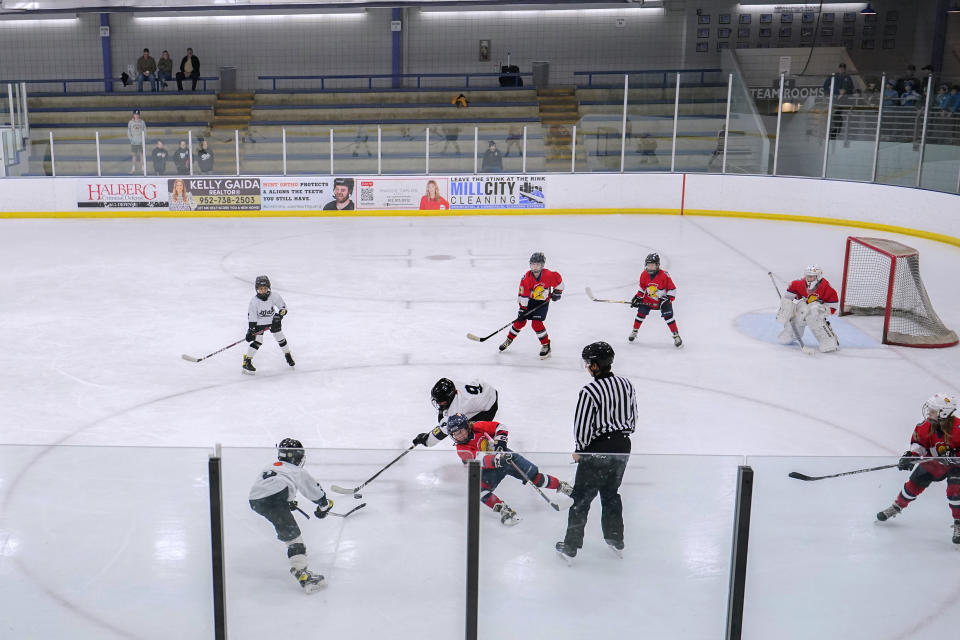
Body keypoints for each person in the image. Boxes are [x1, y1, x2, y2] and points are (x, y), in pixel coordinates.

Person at [555, 341, 636, 561]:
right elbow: (633, 419)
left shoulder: (590, 390)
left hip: (597, 449)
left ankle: (570, 546)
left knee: (581, 498)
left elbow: (581, 425)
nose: (587, 367)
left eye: (589, 363)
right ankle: (615, 539)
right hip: (622, 447)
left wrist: (581, 449)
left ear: (596, 365)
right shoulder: (626, 384)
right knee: (611, 494)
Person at [446, 413, 572, 527]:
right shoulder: (461, 449)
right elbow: (480, 459)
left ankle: (562, 486)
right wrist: (496, 459)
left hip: (507, 457)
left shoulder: (477, 426)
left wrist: (500, 442)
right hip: (489, 468)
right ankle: (504, 510)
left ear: (467, 427)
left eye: (461, 430)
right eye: (456, 434)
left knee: (536, 478)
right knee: (478, 491)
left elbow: (500, 427)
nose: (460, 435)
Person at [248, 438, 333, 593]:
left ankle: (299, 561)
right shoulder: (297, 470)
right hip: (275, 498)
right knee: (293, 536)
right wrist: (323, 505)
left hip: (255, 500)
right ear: (298, 456)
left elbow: (268, 485)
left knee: (286, 529)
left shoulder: (272, 465)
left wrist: (285, 500)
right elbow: (313, 490)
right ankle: (302, 573)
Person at [876, 393, 960, 545]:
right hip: (934, 463)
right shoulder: (924, 426)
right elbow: (919, 445)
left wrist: (955, 455)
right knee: (912, 486)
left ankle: (958, 523)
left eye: (933, 411)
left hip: (956, 467)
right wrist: (910, 456)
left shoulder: (959, 428)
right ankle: (896, 507)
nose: (929, 413)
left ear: (944, 413)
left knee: (955, 492)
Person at [499, 251, 564, 359]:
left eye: (538, 264)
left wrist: (558, 292)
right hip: (529, 301)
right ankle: (508, 340)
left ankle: (546, 346)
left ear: (542, 265)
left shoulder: (549, 275)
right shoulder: (527, 277)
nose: (535, 267)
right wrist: (522, 310)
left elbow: (559, 283)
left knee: (536, 324)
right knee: (520, 321)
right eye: (533, 264)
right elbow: (523, 294)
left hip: (542, 303)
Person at [412, 377, 499, 448]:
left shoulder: (457, 408)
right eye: (437, 400)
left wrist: (427, 441)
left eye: (441, 401)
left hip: (489, 406)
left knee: (465, 433)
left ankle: (487, 447)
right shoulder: (453, 386)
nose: (438, 403)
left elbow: (445, 429)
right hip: (485, 391)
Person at [775, 264, 839, 353]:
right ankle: (792, 333)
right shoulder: (798, 283)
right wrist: (787, 309)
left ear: (819, 276)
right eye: (808, 276)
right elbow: (790, 297)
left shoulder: (826, 287)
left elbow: (833, 305)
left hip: (821, 308)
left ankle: (828, 340)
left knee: (813, 311)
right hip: (806, 306)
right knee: (801, 309)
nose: (809, 279)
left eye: (812, 277)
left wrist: (823, 310)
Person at [243, 275, 295, 374]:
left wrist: (279, 317)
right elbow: (252, 317)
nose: (263, 290)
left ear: (269, 288)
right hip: (260, 323)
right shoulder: (254, 302)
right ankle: (247, 361)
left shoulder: (274, 296)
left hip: (273, 322)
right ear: (257, 289)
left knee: (280, 338)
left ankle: (287, 355)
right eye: (260, 289)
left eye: (265, 288)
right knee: (258, 341)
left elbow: (283, 308)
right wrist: (251, 330)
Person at [629, 252, 682, 348]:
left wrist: (667, 299)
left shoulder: (664, 275)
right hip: (648, 299)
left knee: (668, 316)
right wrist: (638, 297)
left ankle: (676, 335)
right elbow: (642, 288)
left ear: (657, 265)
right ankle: (634, 331)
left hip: (662, 301)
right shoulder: (644, 274)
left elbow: (672, 289)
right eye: (648, 265)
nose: (650, 267)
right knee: (640, 313)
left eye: (652, 265)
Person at [127, 109, 147, 174]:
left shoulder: (142, 122)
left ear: (139, 115)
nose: (136, 116)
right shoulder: (130, 122)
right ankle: (133, 169)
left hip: (141, 142)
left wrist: (143, 139)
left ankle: (143, 169)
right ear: (133, 115)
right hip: (134, 142)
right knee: (134, 155)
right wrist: (131, 139)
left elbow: (145, 131)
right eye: (135, 114)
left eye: (138, 114)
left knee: (142, 155)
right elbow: (129, 131)